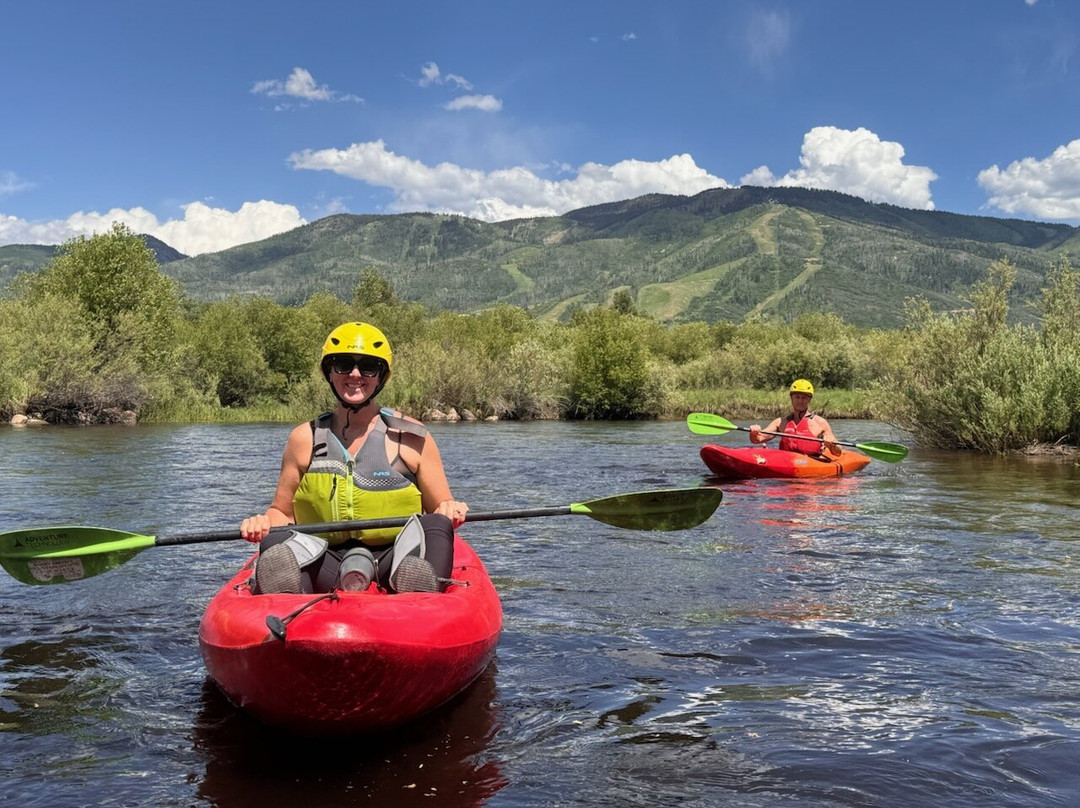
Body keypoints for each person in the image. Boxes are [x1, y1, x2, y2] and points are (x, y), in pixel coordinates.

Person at [239, 321, 468, 595]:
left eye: (368, 367)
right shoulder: (304, 438)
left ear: (381, 376)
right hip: (323, 558)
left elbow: (440, 506)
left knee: (436, 525)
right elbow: (282, 512)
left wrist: (450, 509)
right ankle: (288, 599)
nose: (356, 374)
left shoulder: (411, 437)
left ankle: (415, 591)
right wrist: (263, 522)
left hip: (394, 557)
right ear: (329, 372)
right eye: (344, 364)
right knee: (274, 542)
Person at [748, 379, 840, 459]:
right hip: (786, 465)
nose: (800, 401)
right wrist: (754, 433)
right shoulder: (780, 422)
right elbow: (758, 439)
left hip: (811, 470)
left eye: (804, 397)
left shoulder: (820, 423)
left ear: (809, 399)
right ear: (791, 398)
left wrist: (832, 445)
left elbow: (838, 452)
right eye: (797, 397)